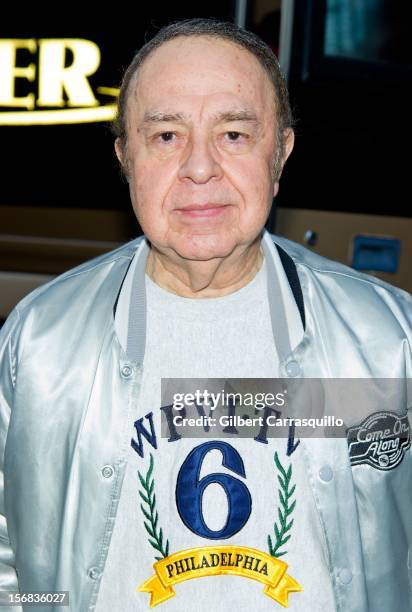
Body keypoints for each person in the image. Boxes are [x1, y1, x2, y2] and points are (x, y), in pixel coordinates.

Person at [0, 18, 411, 612]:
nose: (199, 168)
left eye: (235, 135)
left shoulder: (386, 341)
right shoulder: (40, 340)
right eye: (166, 136)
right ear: (125, 157)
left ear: (282, 152)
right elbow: (9, 552)